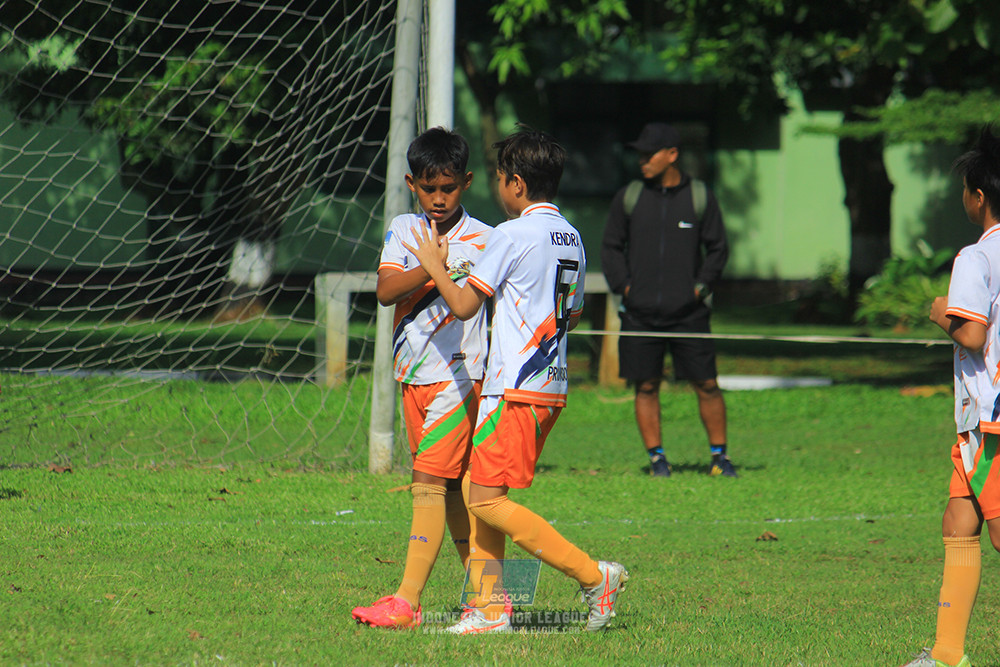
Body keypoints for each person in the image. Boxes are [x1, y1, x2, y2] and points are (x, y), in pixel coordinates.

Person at [404, 126, 628, 634]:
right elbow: (571, 313)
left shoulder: (512, 234)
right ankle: (488, 609)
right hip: (549, 384)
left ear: (517, 183)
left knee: (484, 499)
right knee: (478, 488)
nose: (499, 188)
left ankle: (595, 576)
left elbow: (463, 306)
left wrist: (435, 267)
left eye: (501, 178)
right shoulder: (571, 236)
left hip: (514, 388)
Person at [351, 127, 492, 629]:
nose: (438, 198)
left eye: (448, 188)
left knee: (428, 482)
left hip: (460, 379)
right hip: (413, 376)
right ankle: (490, 597)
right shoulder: (403, 228)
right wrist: (433, 267)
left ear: (466, 182)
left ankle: (406, 601)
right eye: (428, 188)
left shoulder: (485, 239)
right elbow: (387, 290)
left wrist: (442, 268)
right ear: (412, 183)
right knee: (452, 490)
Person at [901, 125, 1000, 667]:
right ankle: (946, 654)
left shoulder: (976, 257)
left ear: (978, 196)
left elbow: (972, 333)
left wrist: (941, 311)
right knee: (959, 520)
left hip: (991, 421)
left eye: (965, 189)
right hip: (977, 425)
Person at [600, 122, 735, 478]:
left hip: (689, 315)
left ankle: (720, 457)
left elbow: (718, 248)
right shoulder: (629, 196)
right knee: (645, 385)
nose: (642, 161)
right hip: (640, 314)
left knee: (706, 384)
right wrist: (626, 287)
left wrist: (699, 288)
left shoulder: (700, 196)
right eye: (640, 154)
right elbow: (611, 247)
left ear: (672, 155)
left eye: (649, 154)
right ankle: (657, 459)